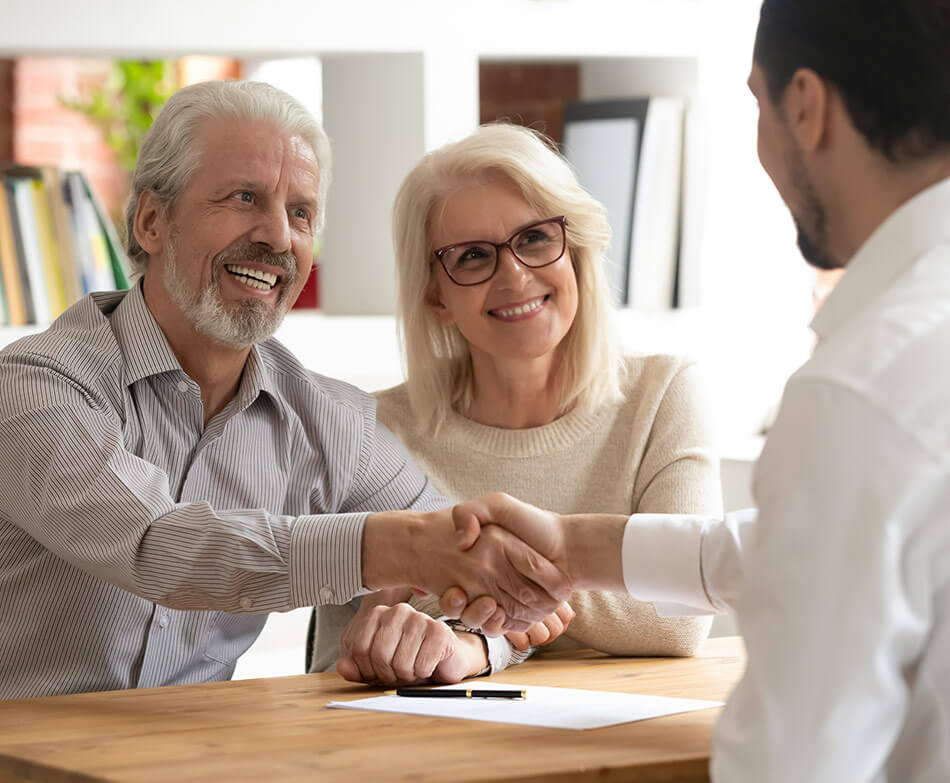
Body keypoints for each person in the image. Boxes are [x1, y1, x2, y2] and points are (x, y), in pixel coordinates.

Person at [442, 1, 950, 780]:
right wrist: (574, 547)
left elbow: (791, 762)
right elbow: (792, 547)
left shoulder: (862, 389)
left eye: (756, 101)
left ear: (806, 107)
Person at [0, 79, 570, 700]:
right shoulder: (36, 385)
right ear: (152, 220)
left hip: (194, 757)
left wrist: (466, 640)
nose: (277, 237)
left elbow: (482, 571)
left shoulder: (330, 421)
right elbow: (156, 545)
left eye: (300, 212)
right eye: (244, 197)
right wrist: (397, 547)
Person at [309, 124, 722, 683]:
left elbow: (679, 614)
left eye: (533, 239)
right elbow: (343, 656)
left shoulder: (664, 395)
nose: (515, 276)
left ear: (574, 249)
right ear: (435, 294)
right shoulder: (368, 431)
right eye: (474, 256)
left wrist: (478, 599)